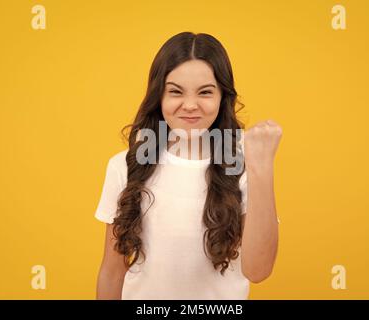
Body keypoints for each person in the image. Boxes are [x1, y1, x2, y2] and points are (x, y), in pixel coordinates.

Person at [94, 31, 281, 300]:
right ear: (158, 96)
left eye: (205, 92)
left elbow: (259, 270)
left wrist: (261, 168)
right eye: (175, 92)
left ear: (222, 97)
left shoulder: (242, 166)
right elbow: (112, 272)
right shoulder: (124, 166)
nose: (190, 105)